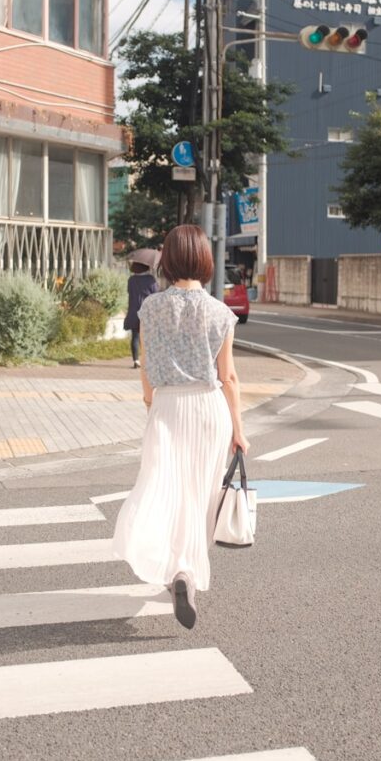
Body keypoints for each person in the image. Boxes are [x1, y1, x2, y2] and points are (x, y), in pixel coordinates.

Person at [112, 225, 250, 630]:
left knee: (162, 488)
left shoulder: (150, 308)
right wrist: (238, 430)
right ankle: (186, 571)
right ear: (205, 260)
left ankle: (175, 571)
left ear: (167, 261)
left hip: (169, 407)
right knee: (199, 496)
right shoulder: (220, 313)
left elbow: (147, 372)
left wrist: (152, 407)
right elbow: (229, 377)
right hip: (209, 411)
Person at [123, 261, 158, 368]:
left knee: (135, 336)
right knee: (147, 337)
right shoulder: (150, 279)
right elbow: (155, 294)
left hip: (134, 310)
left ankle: (136, 360)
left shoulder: (131, 280)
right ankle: (147, 360)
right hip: (147, 311)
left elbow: (129, 292)